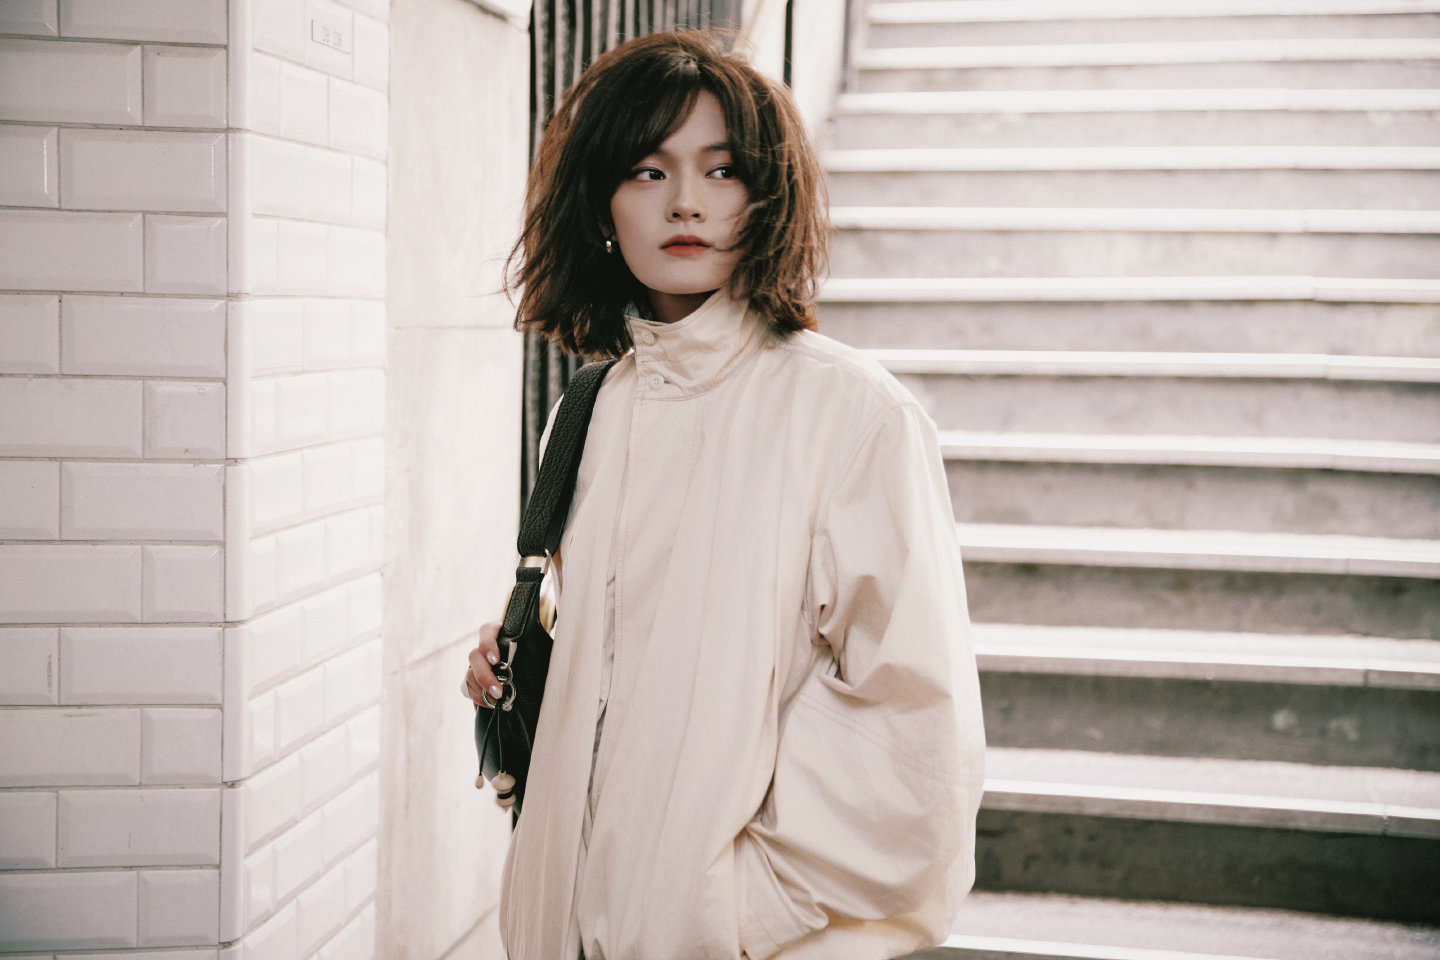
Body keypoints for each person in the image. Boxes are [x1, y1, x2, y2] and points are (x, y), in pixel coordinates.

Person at [464, 29, 986, 960]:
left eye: (722, 170)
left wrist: (730, 914)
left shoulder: (853, 415)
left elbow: (917, 733)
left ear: (768, 195)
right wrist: (534, 663)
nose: (687, 202)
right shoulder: (586, 412)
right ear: (600, 204)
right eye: (647, 170)